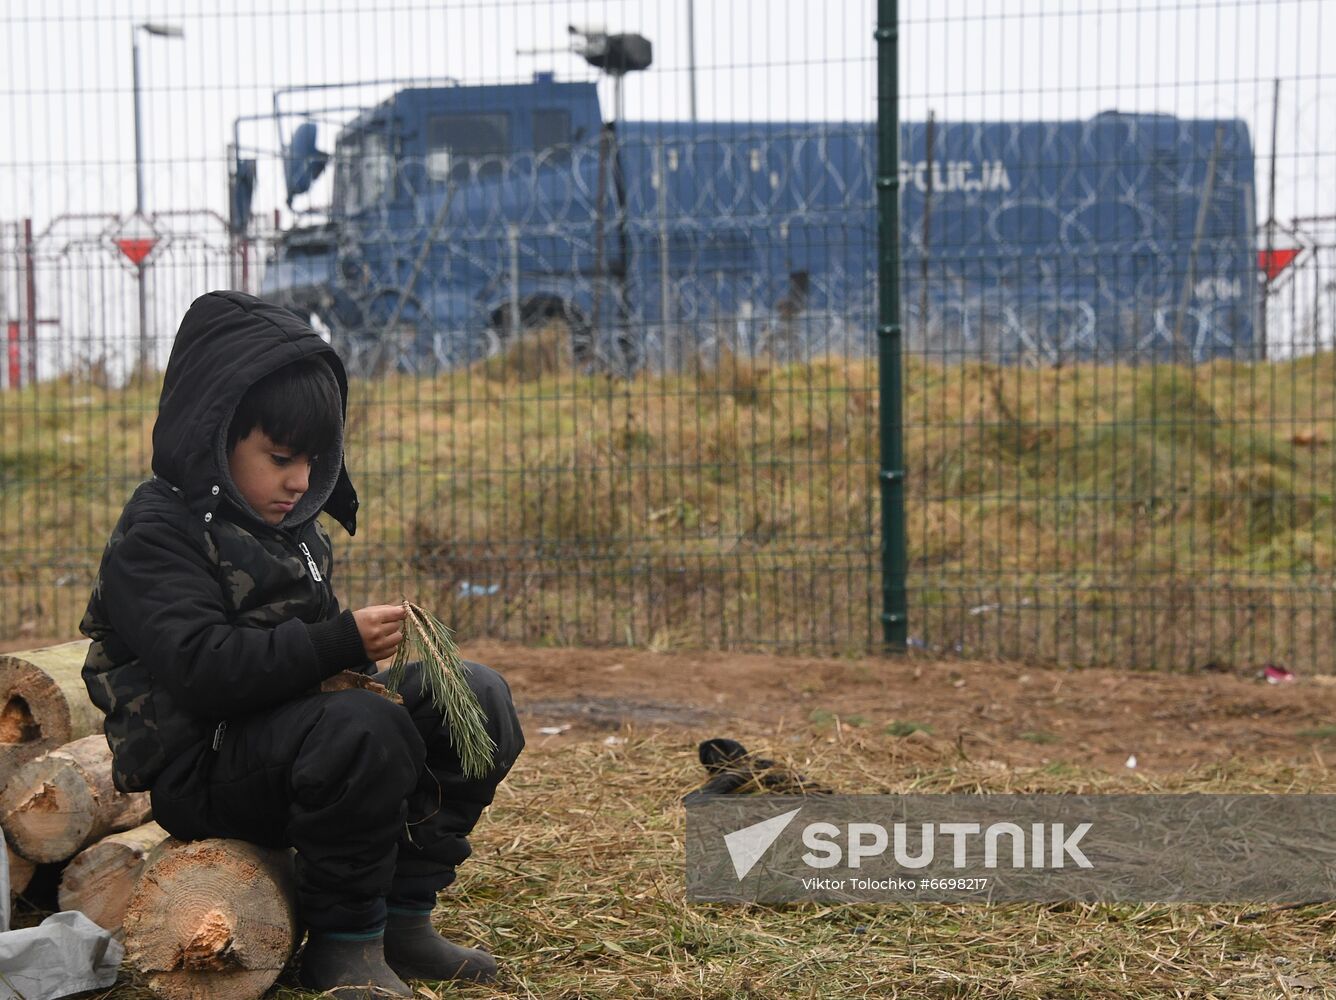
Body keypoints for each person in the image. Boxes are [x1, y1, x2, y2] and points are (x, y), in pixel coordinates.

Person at [78, 290, 525, 999]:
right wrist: (336, 641)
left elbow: (311, 657)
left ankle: (403, 919)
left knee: (476, 696)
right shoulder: (157, 535)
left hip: (286, 741)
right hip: (204, 766)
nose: (301, 481)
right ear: (212, 433)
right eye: (281, 457)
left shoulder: (285, 524)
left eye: (315, 462)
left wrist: (364, 654)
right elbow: (204, 671)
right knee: (363, 728)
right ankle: (343, 947)